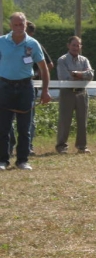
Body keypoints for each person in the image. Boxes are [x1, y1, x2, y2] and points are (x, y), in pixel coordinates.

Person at [0, 12, 52, 171]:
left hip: (25, 88)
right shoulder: (1, 42)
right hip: (4, 87)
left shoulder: (33, 44)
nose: (18, 28)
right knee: (3, 127)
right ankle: (3, 160)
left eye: (21, 25)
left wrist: (45, 91)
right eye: (15, 25)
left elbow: (44, 69)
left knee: (24, 127)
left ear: (25, 25)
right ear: (10, 26)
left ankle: (22, 160)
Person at [55, 36, 94, 154]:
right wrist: (83, 74)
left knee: (83, 120)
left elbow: (91, 75)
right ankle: (61, 146)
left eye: (78, 45)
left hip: (82, 92)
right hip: (67, 93)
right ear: (68, 45)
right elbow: (64, 77)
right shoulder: (62, 60)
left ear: (81, 47)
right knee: (65, 120)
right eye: (74, 45)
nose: (76, 47)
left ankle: (82, 146)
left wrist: (76, 74)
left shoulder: (84, 60)